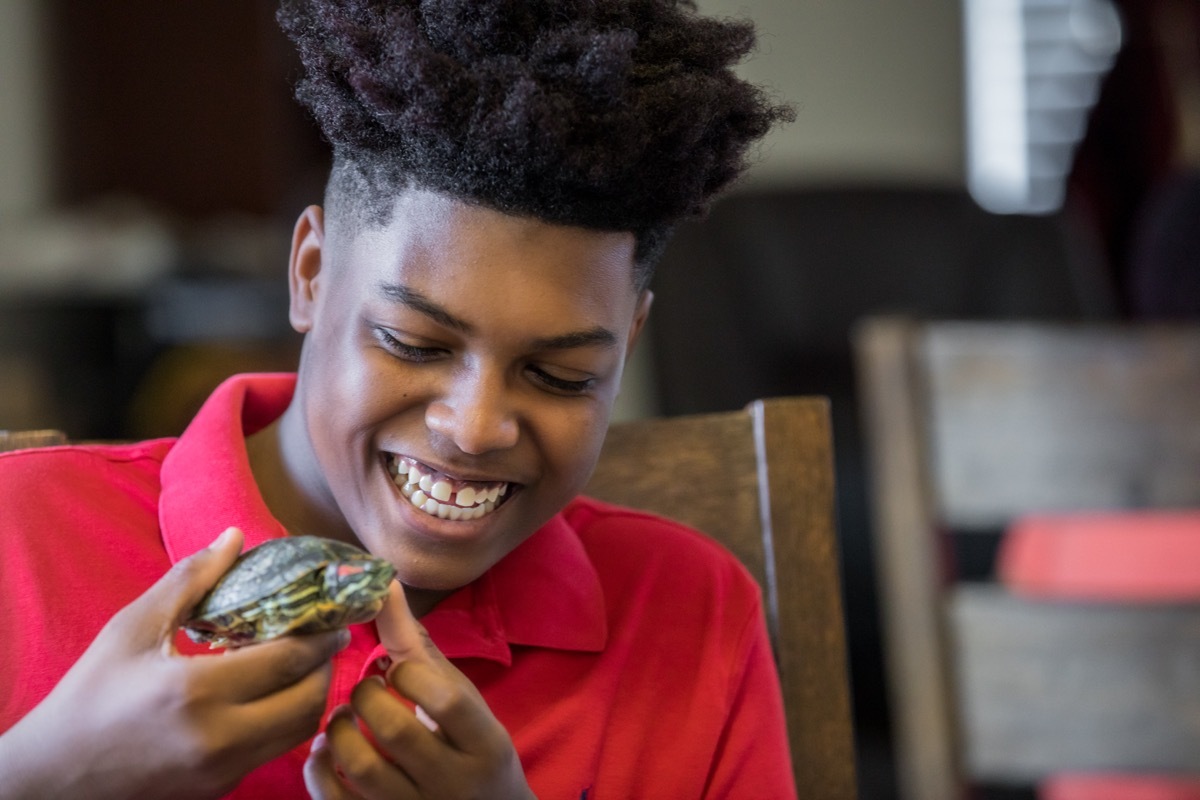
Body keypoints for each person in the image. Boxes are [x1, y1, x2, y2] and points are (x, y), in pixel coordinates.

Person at [0, 1, 794, 797]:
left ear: (630, 342)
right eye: (415, 344)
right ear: (310, 274)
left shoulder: (690, 612)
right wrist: (44, 776)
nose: (475, 428)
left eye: (561, 377)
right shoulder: (22, 536)